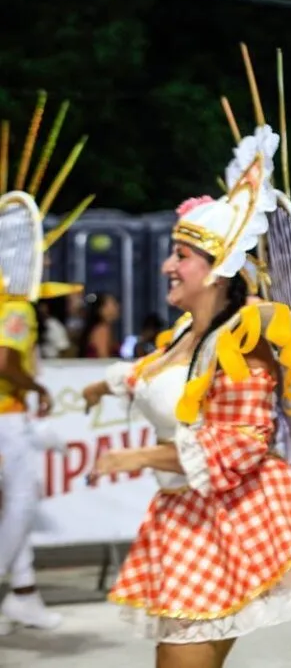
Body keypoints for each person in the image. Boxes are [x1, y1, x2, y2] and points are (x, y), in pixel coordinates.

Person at [80, 130, 291, 667]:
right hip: (185, 512)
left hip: (221, 521)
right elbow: (152, 373)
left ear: (217, 269)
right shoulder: (188, 333)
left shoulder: (242, 344)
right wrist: (107, 381)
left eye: (181, 256)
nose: (167, 266)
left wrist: (134, 456)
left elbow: (242, 442)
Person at [0, 90, 90, 633]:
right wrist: (36, 388)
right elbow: (6, 360)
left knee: (15, 509)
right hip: (7, 418)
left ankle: (24, 592)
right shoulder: (16, 307)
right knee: (21, 506)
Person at [77, 291, 120, 358]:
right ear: (101, 309)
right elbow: (103, 357)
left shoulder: (102, 328)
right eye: (113, 304)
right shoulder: (102, 329)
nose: (117, 307)